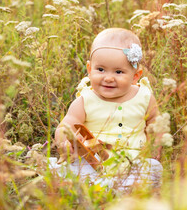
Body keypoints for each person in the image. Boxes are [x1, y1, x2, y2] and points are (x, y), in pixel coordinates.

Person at [49, 28, 162, 190]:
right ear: (89, 69)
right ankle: (102, 186)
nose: (108, 78)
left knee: (152, 168)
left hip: (132, 160)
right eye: (100, 70)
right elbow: (66, 125)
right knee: (73, 168)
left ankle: (115, 187)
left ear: (135, 75)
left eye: (118, 72)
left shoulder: (144, 97)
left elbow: (156, 126)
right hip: (93, 159)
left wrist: (154, 147)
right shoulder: (85, 100)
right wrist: (66, 141)